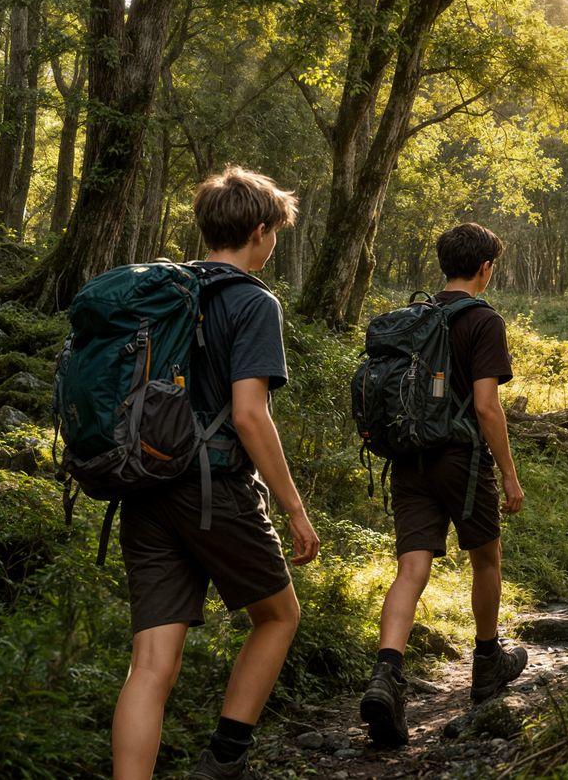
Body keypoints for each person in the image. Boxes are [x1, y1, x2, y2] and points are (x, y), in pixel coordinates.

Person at [112, 167, 320, 780]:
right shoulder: (253, 302)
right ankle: (224, 761)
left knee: (151, 663)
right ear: (259, 232)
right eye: (274, 232)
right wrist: (294, 508)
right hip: (214, 489)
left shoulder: (163, 293)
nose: (273, 243)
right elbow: (250, 416)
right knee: (279, 616)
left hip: (144, 486)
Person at [360, 223, 528, 748]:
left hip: (409, 457)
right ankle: (487, 661)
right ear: (485, 268)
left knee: (411, 568)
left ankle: (386, 674)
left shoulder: (416, 316)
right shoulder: (483, 320)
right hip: (462, 459)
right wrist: (509, 473)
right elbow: (486, 406)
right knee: (486, 559)